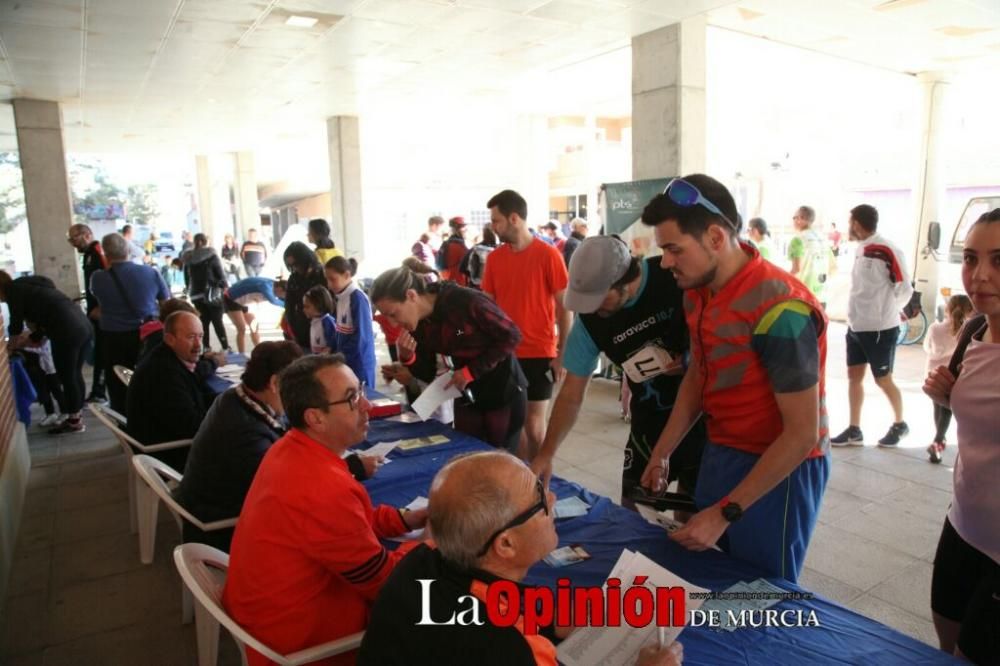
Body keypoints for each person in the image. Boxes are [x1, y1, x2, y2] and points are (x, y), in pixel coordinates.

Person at [637, 174, 830, 583]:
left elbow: (801, 434)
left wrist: (727, 511)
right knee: (712, 576)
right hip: (723, 450)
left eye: (674, 249)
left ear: (714, 237)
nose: (666, 262)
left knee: (759, 596)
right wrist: (662, 452)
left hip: (780, 466)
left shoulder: (781, 308)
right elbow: (699, 375)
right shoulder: (698, 290)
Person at [358, 451, 683, 666]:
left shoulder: (422, 556)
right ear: (506, 544)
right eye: (538, 498)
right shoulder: (510, 650)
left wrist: (554, 622)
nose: (553, 499)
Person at [223, 354, 428, 666]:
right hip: (301, 639)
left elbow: (346, 522)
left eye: (359, 391)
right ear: (315, 418)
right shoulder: (321, 486)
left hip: (265, 612)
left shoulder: (291, 447)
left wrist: (404, 519)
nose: (367, 406)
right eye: (351, 399)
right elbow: (386, 584)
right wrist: (435, 542)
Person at [531, 236, 706, 509]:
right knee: (632, 501)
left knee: (692, 507)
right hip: (649, 420)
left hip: (706, 418)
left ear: (625, 279)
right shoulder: (590, 320)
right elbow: (572, 394)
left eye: (600, 298)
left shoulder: (674, 278)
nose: (594, 309)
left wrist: (689, 360)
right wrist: (547, 453)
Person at [922, 208, 1000, 665]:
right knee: (944, 646)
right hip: (963, 525)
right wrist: (947, 398)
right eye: (971, 259)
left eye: (999, 260)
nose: (981, 275)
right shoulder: (973, 329)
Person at [371, 265, 527, 451]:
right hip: (467, 393)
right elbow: (427, 372)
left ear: (411, 295)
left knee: (501, 460)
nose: (393, 324)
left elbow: (512, 335)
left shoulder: (464, 301)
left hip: (502, 388)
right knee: (466, 455)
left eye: (393, 314)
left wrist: (471, 371)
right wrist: (408, 358)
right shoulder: (419, 326)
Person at [482, 189, 571, 460]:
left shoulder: (548, 255)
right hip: (506, 354)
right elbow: (486, 308)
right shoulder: (495, 259)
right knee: (514, 424)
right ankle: (524, 481)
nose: (493, 227)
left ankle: (542, 480)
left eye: (496, 221)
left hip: (540, 351)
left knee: (534, 425)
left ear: (514, 218)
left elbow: (565, 309)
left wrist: (562, 356)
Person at [830, 204, 913, 448]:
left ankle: (900, 424)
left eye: (850, 222)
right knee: (853, 377)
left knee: (882, 379)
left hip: (880, 328)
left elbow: (904, 288)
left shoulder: (886, 248)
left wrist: (886, 312)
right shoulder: (860, 249)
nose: (849, 227)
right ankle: (854, 429)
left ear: (856, 223)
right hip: (856, 326)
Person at [0, 272, 93, 434]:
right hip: (82, 325)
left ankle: (74, 421)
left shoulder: (14, 291)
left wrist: (9, 348)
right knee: (74, 374)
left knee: (67, 376)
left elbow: (15, 325)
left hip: (66, 331)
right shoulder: (31, 286)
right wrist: (35, 338)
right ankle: (75, 414)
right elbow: (45, 314)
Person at [127, 311, 222, 470]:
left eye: (201, 336)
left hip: (167, 441)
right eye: (191, 337)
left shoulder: (170, 360)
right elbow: (192, 427)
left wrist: (231, 400)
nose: (199, 345)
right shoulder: (163, 373)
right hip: (167, 453)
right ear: (169, 339)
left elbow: (199, 396)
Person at [90, 232, 170, 414]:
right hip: (148, 335)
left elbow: (99, 305)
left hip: (113, 338)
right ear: (128, 250)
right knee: (149, 376)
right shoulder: (151, 273)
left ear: (105, 253)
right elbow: (166, 305)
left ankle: (125, 420)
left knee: (118, 382)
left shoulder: (98, 278)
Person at [923, 294, 973, 463]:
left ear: (947, 309)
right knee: (947, 412)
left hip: (933, 374)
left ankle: (938, 441)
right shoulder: (968, 330)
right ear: (969, 310)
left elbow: (927, 348)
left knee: (937, 409)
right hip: (952, 377)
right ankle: (938, 441)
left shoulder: (934, 328)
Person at [67, 223, 108, 403]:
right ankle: (98, 391)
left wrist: (102, 307)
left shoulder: (98, 252)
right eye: (70, 239)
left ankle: (100, 392)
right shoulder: (88, 255)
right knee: (98, 352)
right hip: (93, 313)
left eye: (74, 238)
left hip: (102, 314)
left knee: (103, 353)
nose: (73, 243)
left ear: (86, 235)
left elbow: (109, 277)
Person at [325, 256, 377, 388]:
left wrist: (339, 356)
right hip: (346, 360)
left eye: (333, 279)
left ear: (347, 275)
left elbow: (362, 338)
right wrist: (330, 349)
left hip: (360, 363)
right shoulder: (341, 297)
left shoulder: (357, 298)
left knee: (364, 400)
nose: (329, 285)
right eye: (327, 279)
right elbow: (339, 329)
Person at [11, 322, 65, 427]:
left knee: (56, 390)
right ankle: (50, 413)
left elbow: (42, 349)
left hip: (50, 367)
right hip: (40, 367)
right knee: (43, 391)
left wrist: (23, 346)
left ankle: (65, 411)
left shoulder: (44, 333)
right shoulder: (30, 329)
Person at [184, 233, 230, 351]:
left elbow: (187, 278)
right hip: (212, 293)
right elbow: (220, 273)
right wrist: (224, 285)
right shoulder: (211, 254)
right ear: (205, 242)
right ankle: (225, 347)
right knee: (217, 321)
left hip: (196, 295)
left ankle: (206, 347)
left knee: (203, 322)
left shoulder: (188, 257)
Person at [282, 241, 327, 350]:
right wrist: (293, 329)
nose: (295, 268)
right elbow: (289, 306)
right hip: (300, 332)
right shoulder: (293, 279)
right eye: (291, 266)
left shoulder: (322, 275)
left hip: (323, 330)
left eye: (296, 264)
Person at [224, 277, 285, 354]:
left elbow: (281, 299)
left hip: (243, 301)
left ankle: (260, 352)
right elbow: (273, 301)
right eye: (283, 295)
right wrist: (288, 306)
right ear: (279, 289)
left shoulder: (274, 284)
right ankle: (241, 354)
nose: (281, 297)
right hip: (231, 299)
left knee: (254, 327)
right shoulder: (265, 286)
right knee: (242, 329)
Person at [787, 206, 833, 308]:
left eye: (794, 217)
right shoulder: (822, 238)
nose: (793, 221)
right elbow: (832, 266)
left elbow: (796, 269)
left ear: (800, 219)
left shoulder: (797, 240)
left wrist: (783, 281)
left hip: (805, 296)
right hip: (822, 294)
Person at [303, 284, 337, 354]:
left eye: (307, 306)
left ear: (318, 305)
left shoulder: (327, 321)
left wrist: (327, 350)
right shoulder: (314, 321)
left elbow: (334, 339)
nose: (304, 310)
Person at [436, 216, 469, 284]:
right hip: (457, 283)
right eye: (464, 227)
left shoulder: (446, 244)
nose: (466, 230)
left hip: (447, 281)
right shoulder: (458, 246)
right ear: (458, 229)